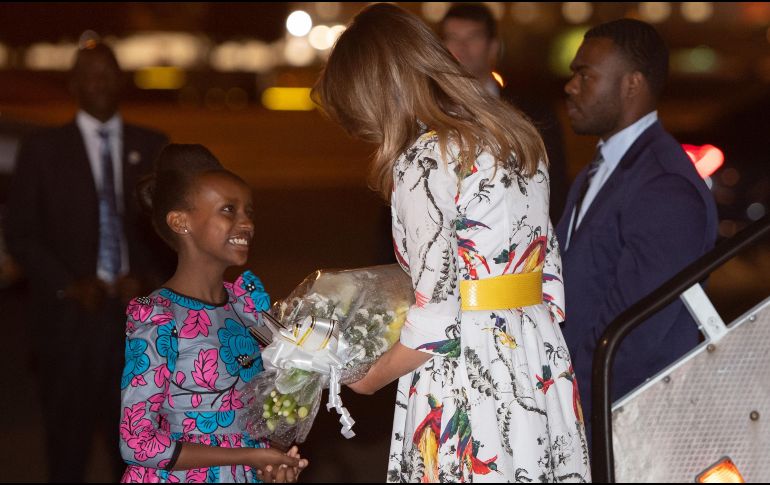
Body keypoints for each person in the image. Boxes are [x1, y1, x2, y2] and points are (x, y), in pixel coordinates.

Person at [314, 4, 590, 482]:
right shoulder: (515, 134)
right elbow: (547, 267)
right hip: (535, 350)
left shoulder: (426, 159)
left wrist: (369, 377)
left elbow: (439, 313)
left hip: (468, 371)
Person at [3, 41, 172, 482]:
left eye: (107, 72)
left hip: (138, 329)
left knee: (137, 455)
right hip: (67, 326)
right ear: (74, 85)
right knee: (67, 451)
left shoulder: (153, 147)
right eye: (89, 74)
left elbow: (174, 232)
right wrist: (67, 284)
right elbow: (20, 233)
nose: (100, 81)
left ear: (121, 79)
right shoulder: (43, 150)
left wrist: (149, 279)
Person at [555, 19, 718, 444]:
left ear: (632, 84)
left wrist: (562, 403)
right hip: (586, 415)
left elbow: (632, 335)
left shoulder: (665, 186)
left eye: (585, 75)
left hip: (624, 429)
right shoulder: (600, 170)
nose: (571, 86)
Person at [120, 143, 309, 482]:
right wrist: (249, 456)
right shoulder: (159, 317)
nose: (246, 223)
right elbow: (137, 443)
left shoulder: (248, 307)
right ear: (181, 222)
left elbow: (273, 404)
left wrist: (271, 463)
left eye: (249, 211)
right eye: (228, 210)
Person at [439, 3, 569, 222]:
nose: (461, 47)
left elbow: (553, 186)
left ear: (493, 47)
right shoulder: (425, 111)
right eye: (452, 38)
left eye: (473, 37)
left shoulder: (531, 113)